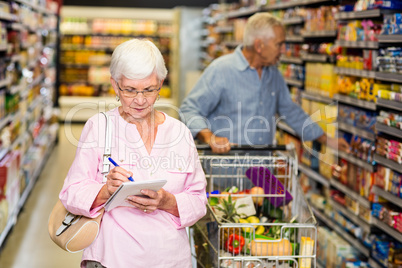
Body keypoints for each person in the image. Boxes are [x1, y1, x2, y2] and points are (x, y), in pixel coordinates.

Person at [59, 38, 207, 268]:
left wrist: (166, 201)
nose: (140, 100)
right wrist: (105, 191)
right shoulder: (100, 127)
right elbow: (71, 193)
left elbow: (199, 200)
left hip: (170, 259)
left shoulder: (180, 132)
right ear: (115, 85)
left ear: (161, 83)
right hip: (112, 258)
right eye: (130, 90)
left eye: (149, 90)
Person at [180, 12, 350, 154]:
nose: (283, 50)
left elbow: (291, 111)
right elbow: (189, 109)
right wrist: (209, 137)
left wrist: (328, 140)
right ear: (259, 45)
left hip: (262, 172)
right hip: (227, 172)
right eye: (279, 44)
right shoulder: (221, 70)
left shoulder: (273, 74)